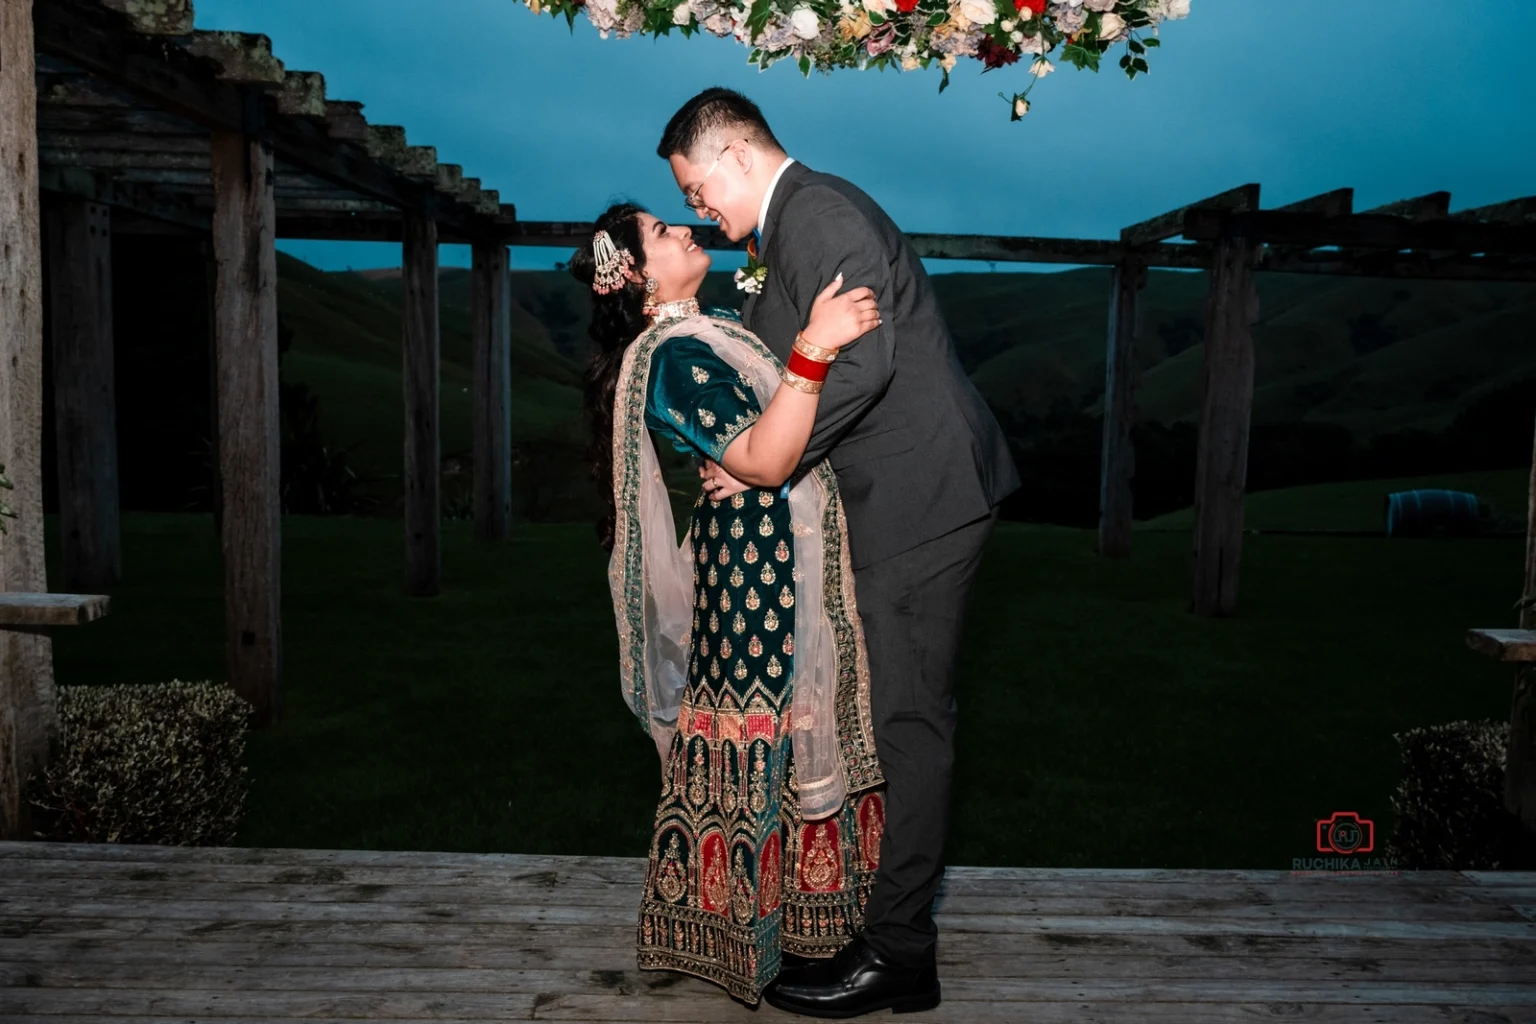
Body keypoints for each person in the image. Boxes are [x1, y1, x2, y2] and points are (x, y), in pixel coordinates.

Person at [659, 88, 1021, 1018]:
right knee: (902, 717)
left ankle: (900, 954)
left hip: (922, 498)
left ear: (737, 153)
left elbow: (863, 364)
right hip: (897, 499)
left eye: (700, 188)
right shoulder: (782, 233)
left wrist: (765, 469)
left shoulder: (816, 212)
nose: (702, 209)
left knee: (911, 724)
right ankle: (898, 942)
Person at [574, 201, 891, 1006]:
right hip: (754, 574)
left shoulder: (713, 333)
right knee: (768, 719)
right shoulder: (674, 352)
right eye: (660, 230)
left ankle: (811, 930)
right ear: (633, 275)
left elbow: (766, 444)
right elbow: (763, 453)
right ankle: (772, 936)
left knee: (798, 720)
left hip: (768, 554)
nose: (685, 230)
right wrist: (814, 348)